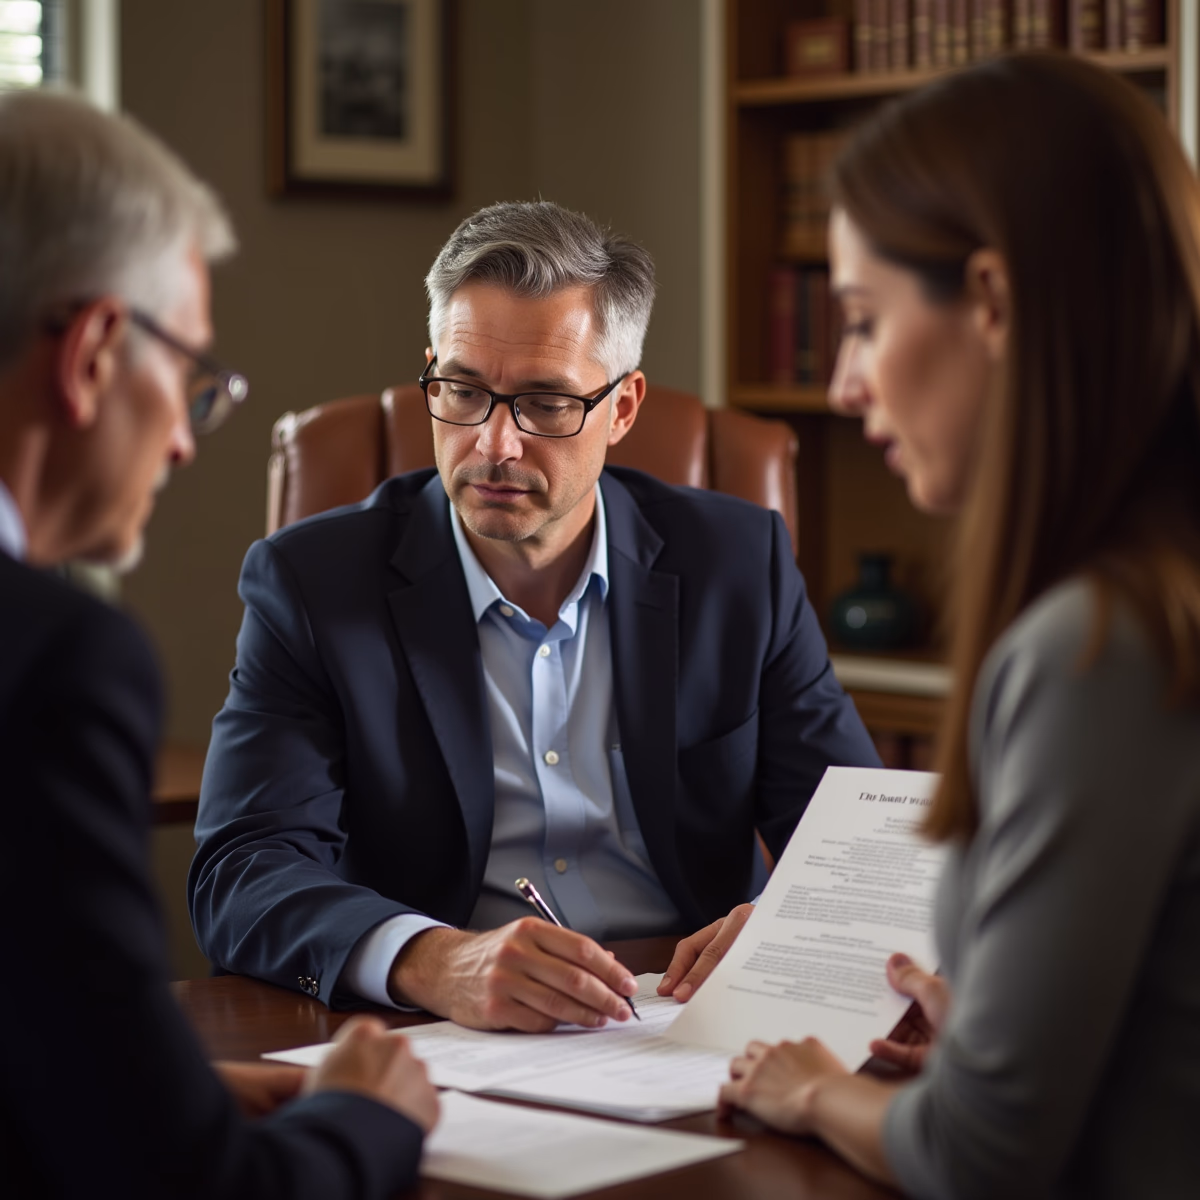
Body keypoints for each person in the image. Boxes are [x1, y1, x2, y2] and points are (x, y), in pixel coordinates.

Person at [190, 199, 881, 1031]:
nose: (494, 446)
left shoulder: (738, 567)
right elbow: (242, 870)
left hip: (693, 1024)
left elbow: (861, 849)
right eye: (463, 390)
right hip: (448, 1034)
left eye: (547, 404)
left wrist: (782, 932)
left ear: (622, 409)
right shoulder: (314, 585)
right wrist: (430, 957)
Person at [718, 52, 1200, 1200]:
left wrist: (810, 1087)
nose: (843, 385)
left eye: (864, 321)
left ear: (989, 301)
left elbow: (980, 1155)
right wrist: (990, 1021)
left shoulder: (1097, 647)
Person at [0, 89, 438, 1198]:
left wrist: (157, 1092)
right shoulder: (54, 659)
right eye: (190, 374)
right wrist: (364, 1118)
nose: (189, 441)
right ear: (97, 350)